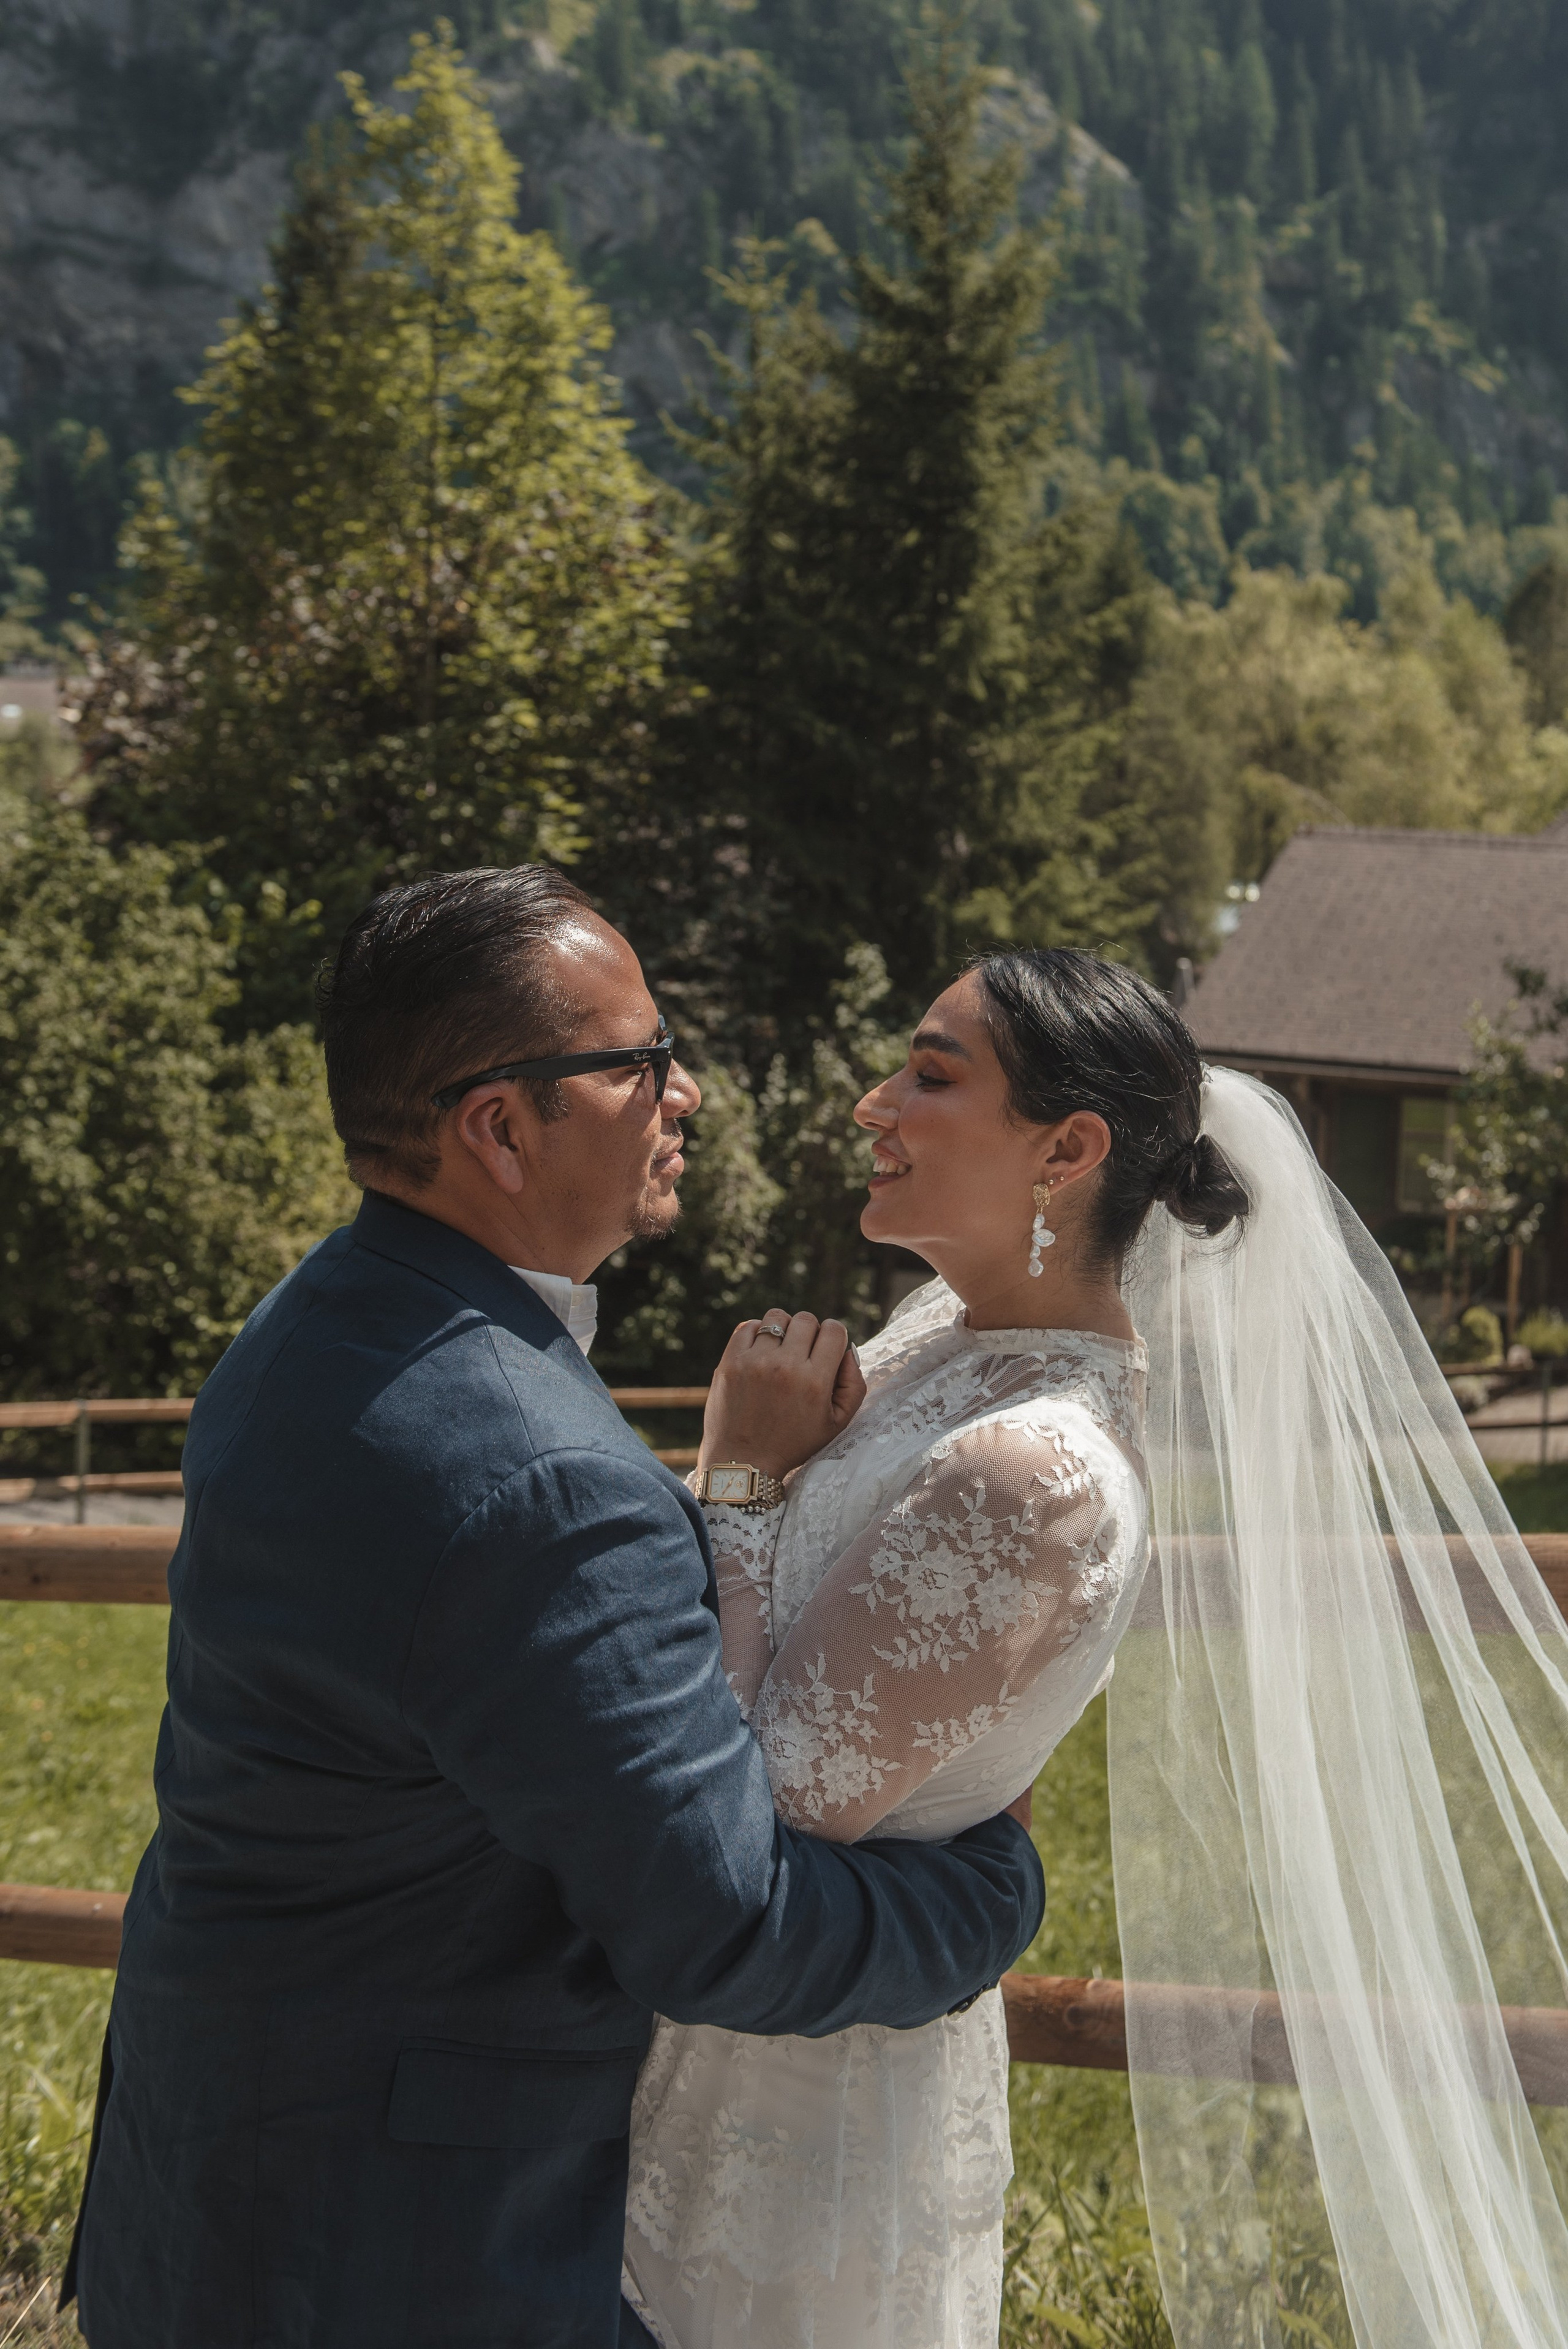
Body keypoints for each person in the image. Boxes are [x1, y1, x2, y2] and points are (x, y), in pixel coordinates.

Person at [64, 866, 1045, 2349]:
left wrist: (732, 1485)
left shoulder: (312, 1319)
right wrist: (993, 1889)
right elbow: (728, 1926)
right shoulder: (539, 1478)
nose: (684, 1092)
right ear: (501, 1128)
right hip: (399, 2251)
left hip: (207, 2170)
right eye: (640, 1060)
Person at [631, 947, 1568, 2349]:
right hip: (705, 2031)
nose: (871, 1104)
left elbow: (764, 1809)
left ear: (1065, 1151)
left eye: (928, 1075)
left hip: (799, 2095)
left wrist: (744, 1475)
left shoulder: (1035, 1473)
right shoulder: (941, 1342)